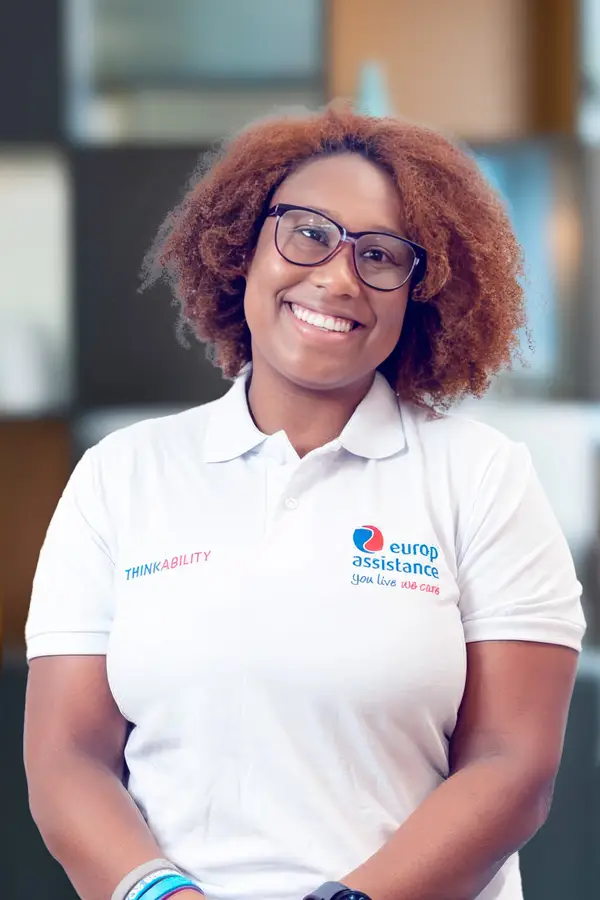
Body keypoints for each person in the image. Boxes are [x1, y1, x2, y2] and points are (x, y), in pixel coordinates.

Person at [24, 104, 585, 900]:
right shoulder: (121, 475)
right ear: (241, 249)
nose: (338, 277)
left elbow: (512, 766)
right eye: (308, 234)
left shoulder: (484, 477)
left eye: (381, 255)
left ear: (420, 295)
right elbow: (67, 759)